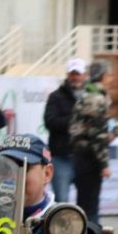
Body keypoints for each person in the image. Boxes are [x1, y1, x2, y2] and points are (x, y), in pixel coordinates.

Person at [69, 59, 115, 225]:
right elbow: (97, 135)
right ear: (103, 76)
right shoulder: (97, 99)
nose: (111, 79)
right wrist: (104, 164)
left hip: (82, 156)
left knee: (85, 204)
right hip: (90, 158)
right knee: (90, 208)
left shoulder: (87, 95)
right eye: (109, 75)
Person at [43, 58, 87, 202]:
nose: (75, 77)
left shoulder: (92, 96)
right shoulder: (56, 96)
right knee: (62, 202)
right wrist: (75, 120)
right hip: (62, 157)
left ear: (84, 75)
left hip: (86, 157)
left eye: (78, 73)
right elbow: (50, 121)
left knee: (87, 202)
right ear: (67, 75)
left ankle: (88, 226)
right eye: (72, 73)